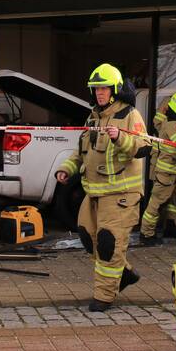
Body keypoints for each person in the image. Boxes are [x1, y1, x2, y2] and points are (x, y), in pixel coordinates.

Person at [55, 63, 147, 312]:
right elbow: (81, 151)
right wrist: (66, 168)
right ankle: (124, 274)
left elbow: (144, 146)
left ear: (115, 89)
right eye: (96, 89)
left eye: (104, 88)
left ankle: (104, 295)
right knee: (87, 237)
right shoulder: (93, 116)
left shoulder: (129, 115)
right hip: (94, 192)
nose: (99, 93)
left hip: (120, 195)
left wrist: (120, 137)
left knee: (108, 244)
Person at [140, 90, 176, 246]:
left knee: (174, 202)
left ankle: (172, 226)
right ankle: (146, 234)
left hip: (174, 170)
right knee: (157, 202)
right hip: (167, 171)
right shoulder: (174, 125)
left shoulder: (173, 121)